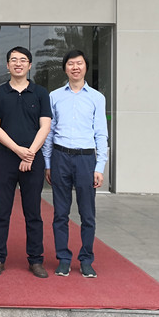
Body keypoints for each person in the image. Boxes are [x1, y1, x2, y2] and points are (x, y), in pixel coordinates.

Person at [0, 46, 52, 278]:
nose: (18, 63)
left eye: (23, 60)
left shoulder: (40, 93)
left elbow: (45, 126)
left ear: (29, 65)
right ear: (7, 65)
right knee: (1, 211)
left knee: (33, 212)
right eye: (13, 59)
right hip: (6, 158)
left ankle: (36, 260)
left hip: (33, 159)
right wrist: (18, 150)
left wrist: (30, 153)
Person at [43, 49, 109, 279]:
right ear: (65, 68)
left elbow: (101, 133)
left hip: (85, 159)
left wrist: (99, 167)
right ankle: (63, 259)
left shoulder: (97, 98)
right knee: (60, 213)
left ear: (85, 67)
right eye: (70, 63)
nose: (75, 67)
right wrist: (48, 163)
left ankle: (86, 260)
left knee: (87, 214)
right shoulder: (54, 96)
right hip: (60, 157)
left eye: (79, 63)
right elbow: (49, 132)